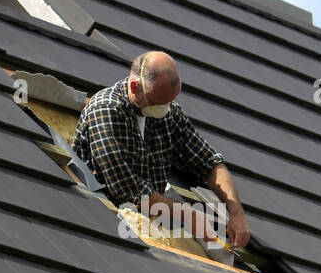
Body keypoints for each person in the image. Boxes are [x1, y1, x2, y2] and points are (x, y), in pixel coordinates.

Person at [72, 51, 251, 251]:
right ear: (134, 87)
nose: (164, 110)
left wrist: (236, 212)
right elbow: (130, 193)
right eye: (157, 103)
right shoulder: (105, 111)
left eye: (168, 103)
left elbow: (210, 164)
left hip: (145, 229)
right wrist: (187, 214)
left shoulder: (168, 114)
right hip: (99, 224)